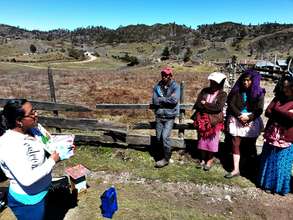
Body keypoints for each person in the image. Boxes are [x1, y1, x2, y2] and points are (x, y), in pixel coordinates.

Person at [0, 99, 60, 220]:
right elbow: (27, 179)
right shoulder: (9, 145)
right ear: (19, 121)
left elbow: (46, 149)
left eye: (35, 110)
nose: (36, 114)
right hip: (29, 200)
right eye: (31, 113)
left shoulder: (34, 129)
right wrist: (52, 161)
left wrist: (63, 150)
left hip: (42, 190)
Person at [225, 69, 265, 179]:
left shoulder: (259, 92)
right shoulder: (237, 91)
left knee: (250, 146)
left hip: (251, 121)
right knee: (235, 144)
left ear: (253, 81)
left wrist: (248, 117)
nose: (245, 82)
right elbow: (231, 104)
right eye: (244, 80)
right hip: (237, 119)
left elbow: (260, 109)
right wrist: (239, 116)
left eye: (248, 80)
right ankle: (236, 169)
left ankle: (250, 169)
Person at [258, 74, 293, 195]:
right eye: (283, 86)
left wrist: (278, 112)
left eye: (288, 87)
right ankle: (266, 184)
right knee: (268, 159)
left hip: (286, 137)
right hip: (272, 134)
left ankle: (279, 188)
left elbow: (291, 118)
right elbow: (268, 112)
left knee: (281, 163)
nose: (285, 89)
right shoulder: (278, 98)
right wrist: (284, 113)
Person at [192, 72, 227, 171]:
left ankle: (210, 160)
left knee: (212, 141)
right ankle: (203, 159)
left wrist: (205, 104)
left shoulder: (222, 94)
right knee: (202, 140)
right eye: (211, 82)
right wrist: (207, 106)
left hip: (214, 121)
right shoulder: (204, 91)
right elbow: (198, 104)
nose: (212, 84)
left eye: (215, 83)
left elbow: (218, 107)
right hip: (202, 120)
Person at [152, 67, 180, 168]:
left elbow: (174, 101)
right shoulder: (157, 87)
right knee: (159, 138)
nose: (164, 76)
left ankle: (166, 159)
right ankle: (161, 155)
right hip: (159, 115)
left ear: (170, 76)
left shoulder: (175, 86)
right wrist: (167, 99)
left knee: (165, 137)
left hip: (169, 116)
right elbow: (155, 101)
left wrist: (162, 99)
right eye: (163, 74)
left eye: (167, 74)